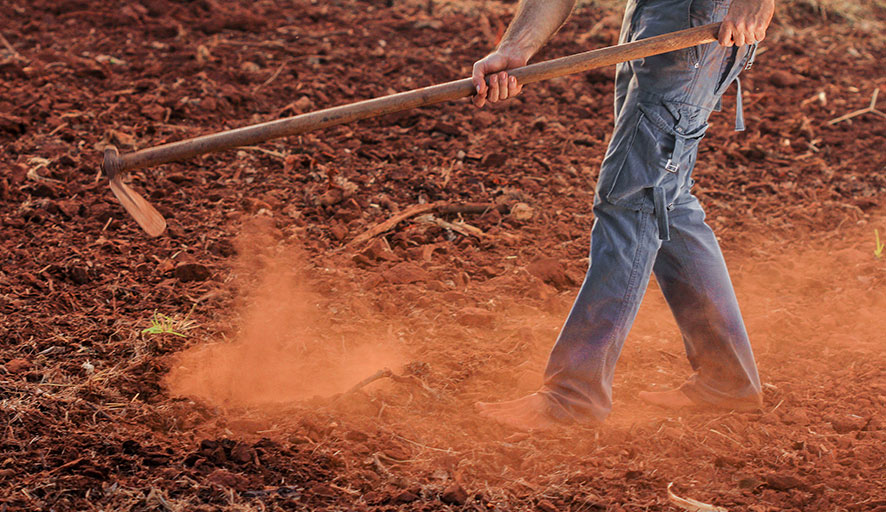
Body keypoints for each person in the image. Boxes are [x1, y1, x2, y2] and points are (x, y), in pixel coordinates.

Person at [472, 0, 775, 430]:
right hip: (656, 15)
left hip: (702, 19)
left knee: (632, 198)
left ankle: (572, 397)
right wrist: (514, 48)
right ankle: (726, 378)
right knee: (662, 196)